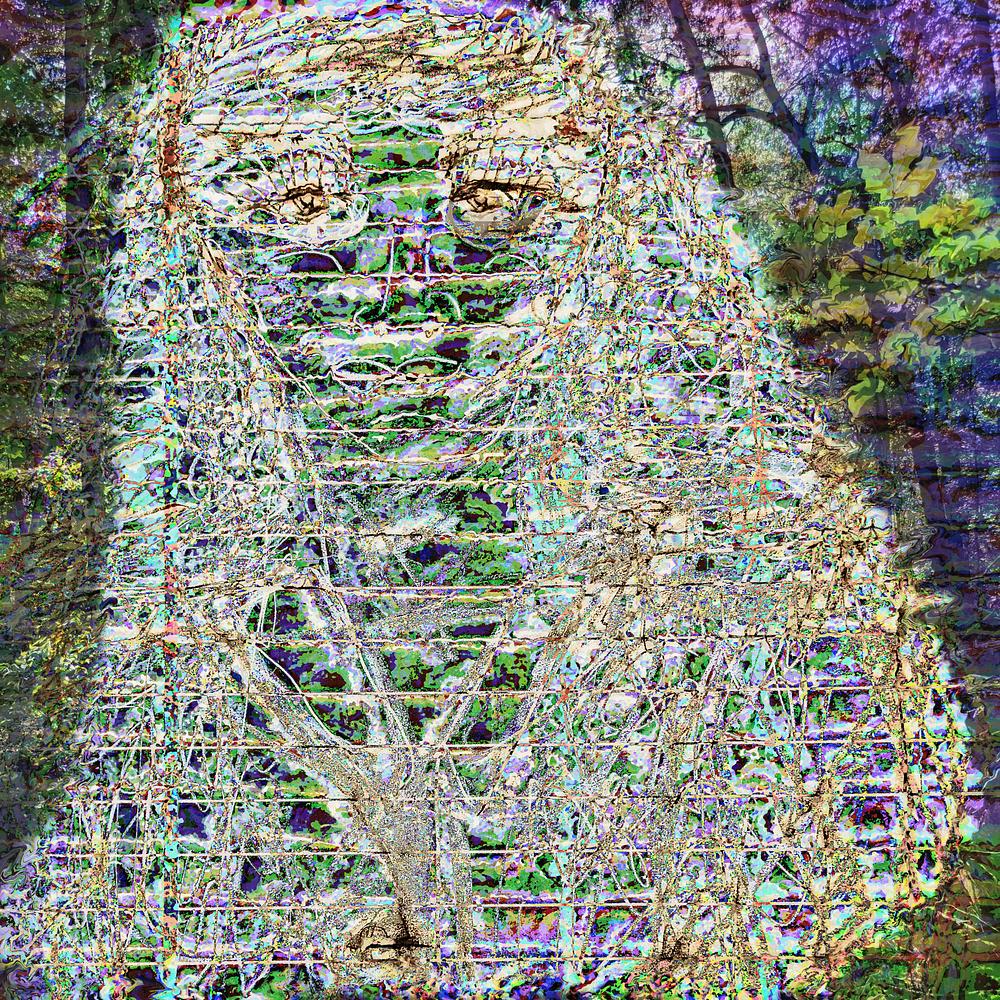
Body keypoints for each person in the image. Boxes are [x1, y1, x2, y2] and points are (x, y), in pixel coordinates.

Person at [1, 1, 972, 996]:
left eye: (496, 193)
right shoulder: (122, 654)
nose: (403, 273)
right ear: (189, 240)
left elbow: (837, 889)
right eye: (298, 198)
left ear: (610, 228)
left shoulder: (778, 617)